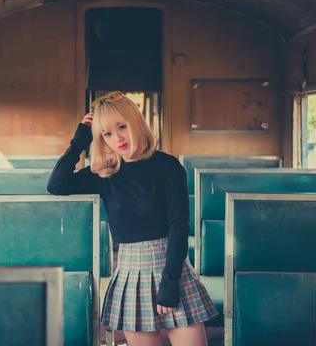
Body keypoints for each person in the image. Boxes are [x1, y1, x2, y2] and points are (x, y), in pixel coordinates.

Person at [47, 91, 218, 346]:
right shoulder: (104, 173)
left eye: (122, 127)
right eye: (106, 133)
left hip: (172, 270)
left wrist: (170, 283)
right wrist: (80, 140)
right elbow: (57, 184)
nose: (117, 138)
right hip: (130, 275)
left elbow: (179, 227)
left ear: (135, 122)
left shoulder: (167, 167)